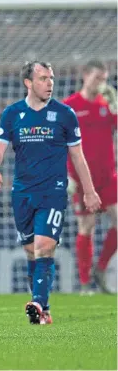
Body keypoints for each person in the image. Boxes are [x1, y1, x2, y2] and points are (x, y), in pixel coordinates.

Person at [0, 61, 101, 325]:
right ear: (28, 83)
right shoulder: (13, 114)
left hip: (53, 192)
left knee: (44, 247)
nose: (49, 83)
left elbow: (78, 156)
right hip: (22, 193)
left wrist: (89, 191)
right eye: (43, 78)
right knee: (31, 251)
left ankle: (37, 302)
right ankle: (44, 310)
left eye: (51, 78)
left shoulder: (65, 114)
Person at [64, 60, 117, 294]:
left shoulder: (107, 105)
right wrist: (67, 176)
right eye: (97, 78)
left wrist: (116, 106)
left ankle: (101, 268)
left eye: (104, 79)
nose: (101, 83)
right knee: (87, 226)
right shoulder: (70, 107)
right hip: (83, 179)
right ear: (85, 75)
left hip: (107, 176)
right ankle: (85, 284)